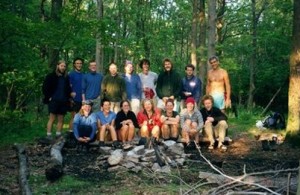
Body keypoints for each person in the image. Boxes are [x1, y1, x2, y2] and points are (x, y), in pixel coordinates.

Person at [42, 60, 72, 139]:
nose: (63, 68)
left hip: (63, 101)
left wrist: (70, 96)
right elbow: (45, 88)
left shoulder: (66, 77)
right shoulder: (51, 76)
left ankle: (58, 135)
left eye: (64, 66)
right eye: (61, 66)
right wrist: (49, 97)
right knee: (52, 118)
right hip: (54, 101)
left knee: (61, 119)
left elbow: (68, 89)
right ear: (58, 66)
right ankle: (48, 135)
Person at [68, 57, 84, 132]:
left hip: (83, 99)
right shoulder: (71, 74)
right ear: (74, 64)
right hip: (75, 99)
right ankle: (70, 133)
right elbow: (68, 86)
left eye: (80, 63)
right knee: (74, 117)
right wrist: (70, 93)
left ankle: (77, 134)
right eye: (77, 63)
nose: (79, 65)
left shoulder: (84, 75)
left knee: (81, 117)